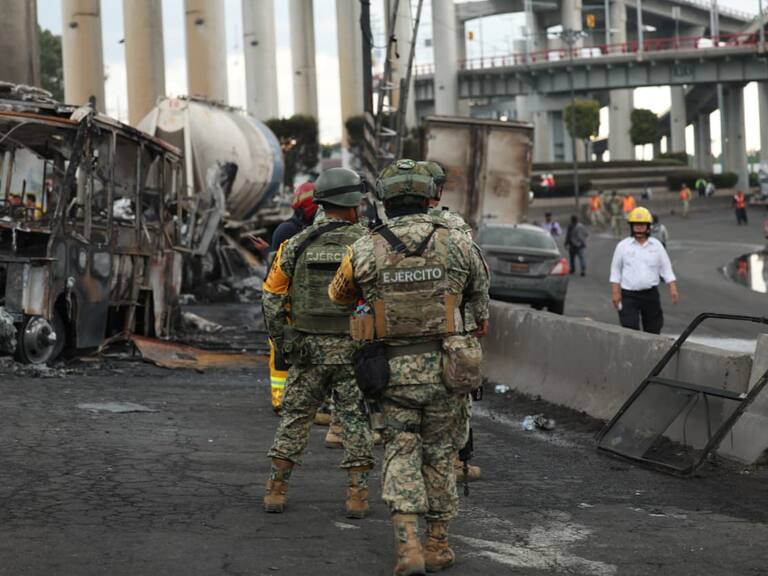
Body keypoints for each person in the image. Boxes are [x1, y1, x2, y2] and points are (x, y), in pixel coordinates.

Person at [329, 159, 489, 575]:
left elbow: (339, 295)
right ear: (427, 195)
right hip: (447, 371)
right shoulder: (456, 241)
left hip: (390, 372)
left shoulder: (365, 246)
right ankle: (438, 545)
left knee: (400, 451)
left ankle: (409, 547)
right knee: (439, 456)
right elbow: (481, 308)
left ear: (385, 199)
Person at [262, 168, 375, 519]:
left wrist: (285, 343)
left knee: (295, 418)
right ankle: (357, 496)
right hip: (353, 351)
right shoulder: (370, 243)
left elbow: (270, 297)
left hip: (308, 350)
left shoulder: (295, 244)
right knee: (355, 420)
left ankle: (276, 490)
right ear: (354, 204)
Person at [420, 160, 487, 484]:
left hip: (402, 327)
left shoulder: (387, 229)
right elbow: (478, 277)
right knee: (458, 394)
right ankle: (459, 462)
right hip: (450, 324)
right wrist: (477, 319)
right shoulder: (454, 226)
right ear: (439, 190)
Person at [250, 182, 319, 414]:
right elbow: (278, 271)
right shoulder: (289, 230)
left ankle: (300, 397)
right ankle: (281, 399)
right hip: (287, 302)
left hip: (305, 303)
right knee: (282, 353)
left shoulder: (305, 230)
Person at [609, 207, 679, 334]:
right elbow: (615, 271)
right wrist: (615, 293)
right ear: (631, 227)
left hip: (650, 295)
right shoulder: (623, 246)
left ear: (648, 227)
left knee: (654, 328)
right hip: (629, 295)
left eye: (642, 225)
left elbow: (666, 268)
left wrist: (672, 288)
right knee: (630, 328)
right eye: (636, 225)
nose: (639, 228)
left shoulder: (656, 245)